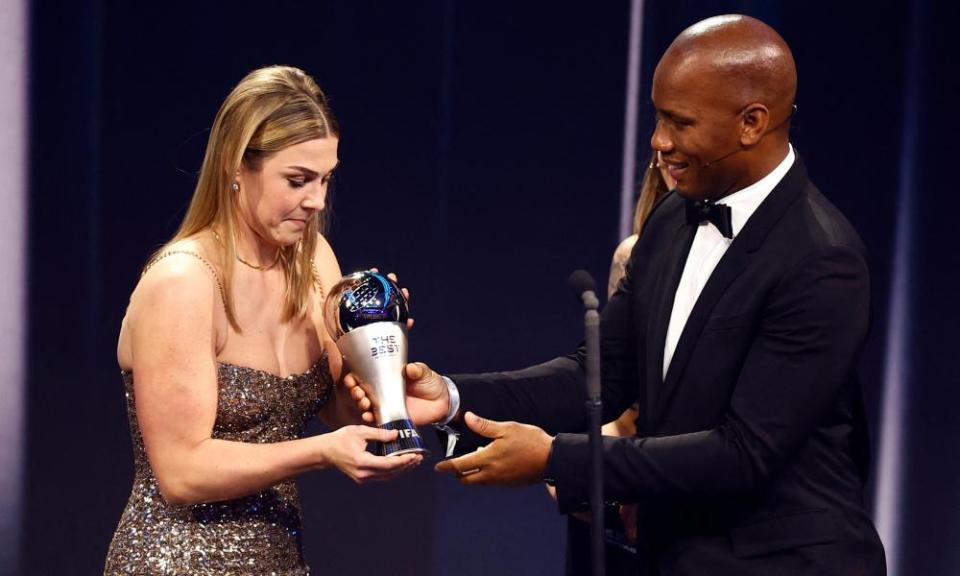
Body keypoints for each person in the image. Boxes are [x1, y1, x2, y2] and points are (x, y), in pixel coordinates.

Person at [349, 14, 886, 575]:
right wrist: (453, 397)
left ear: (752, 122)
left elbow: (744, 453)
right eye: (658, 116)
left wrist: (555, 458)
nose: (659, 142)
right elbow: (597, 373)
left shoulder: (821, 258)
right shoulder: (674, 217)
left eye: (679, 122)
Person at [104, 65, 422, 576]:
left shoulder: (313, 261)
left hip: (278, 559)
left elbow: (340, 410)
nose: (316, 200)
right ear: (236, 165)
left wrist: (379, 364)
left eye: (325, 179)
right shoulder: (184, 280)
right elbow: (181, 471)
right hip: (177, 561)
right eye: (297, 180)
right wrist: (322, 452)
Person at [562, 152, 673, 575]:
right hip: (629, 470)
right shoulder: (636, 254)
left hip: (691, 483)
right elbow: (619, 379)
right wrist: (589, 457)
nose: (665, 146)